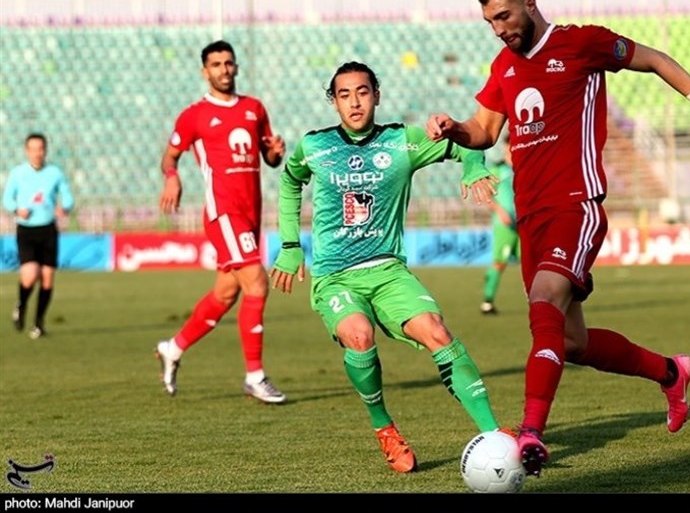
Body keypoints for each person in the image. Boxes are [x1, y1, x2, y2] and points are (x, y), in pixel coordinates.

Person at [426, 0, 690, 477]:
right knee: (569, 342)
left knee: (544, 299)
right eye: (489, 21)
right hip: (531, 217)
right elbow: (483, 130)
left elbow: (655, 59)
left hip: (575, 204)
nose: (498, 29)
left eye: (504, 16)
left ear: (530, 3)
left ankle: (531, 432)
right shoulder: (504, 67)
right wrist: (452, 129)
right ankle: (671, 372)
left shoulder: (581, 44)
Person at [269, 61, 507, 473]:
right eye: (344, 95)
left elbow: (466, 141)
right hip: (335, 277)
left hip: (388, 271)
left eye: (362, 92)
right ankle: (384, 427)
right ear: (333, 102)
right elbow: (290, 181)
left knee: (437, 332)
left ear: (376, 95)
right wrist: (290, 245)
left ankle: (494, 435)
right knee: (358, 335)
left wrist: (474, 167)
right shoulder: (315, 146)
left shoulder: (403, 142)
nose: (354, 102)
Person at [155, 39, 287, 404]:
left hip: (251, 211)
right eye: (216, 64)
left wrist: (275, 154)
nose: (224, 69)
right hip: (223, 211)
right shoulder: (194, 115)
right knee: (257, 282)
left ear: (236, 67)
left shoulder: (254, 108)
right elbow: (170, 156)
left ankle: (173, 348)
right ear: (205, 71)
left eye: (229, 63)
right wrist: (172, 177)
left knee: (226, 293)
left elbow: (269, 157)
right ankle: (255, 376)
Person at [2, 132, 74, 340]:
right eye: (33, 149)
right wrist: (17, 209)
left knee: (48, 278)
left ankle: (38, 323)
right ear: (27, 151)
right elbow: (7, 199)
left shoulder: (54, 173)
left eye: (40, 149)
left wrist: (64, 207)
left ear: (45, 150)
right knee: (30, 274)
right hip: (26, 229)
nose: (37, 153)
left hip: (48, 229)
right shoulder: (18, 174)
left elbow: (67, 196)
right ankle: (21, 305)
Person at [480, 135, 519, 315]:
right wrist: (500, 211)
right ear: (505, 147)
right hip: (505, 225)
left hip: (524, 223)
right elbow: (486, 196)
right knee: (500, 263)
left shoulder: (522, 169)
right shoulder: (498, 169)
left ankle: (539, 302)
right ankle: (487, 302)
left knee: (532, 263)